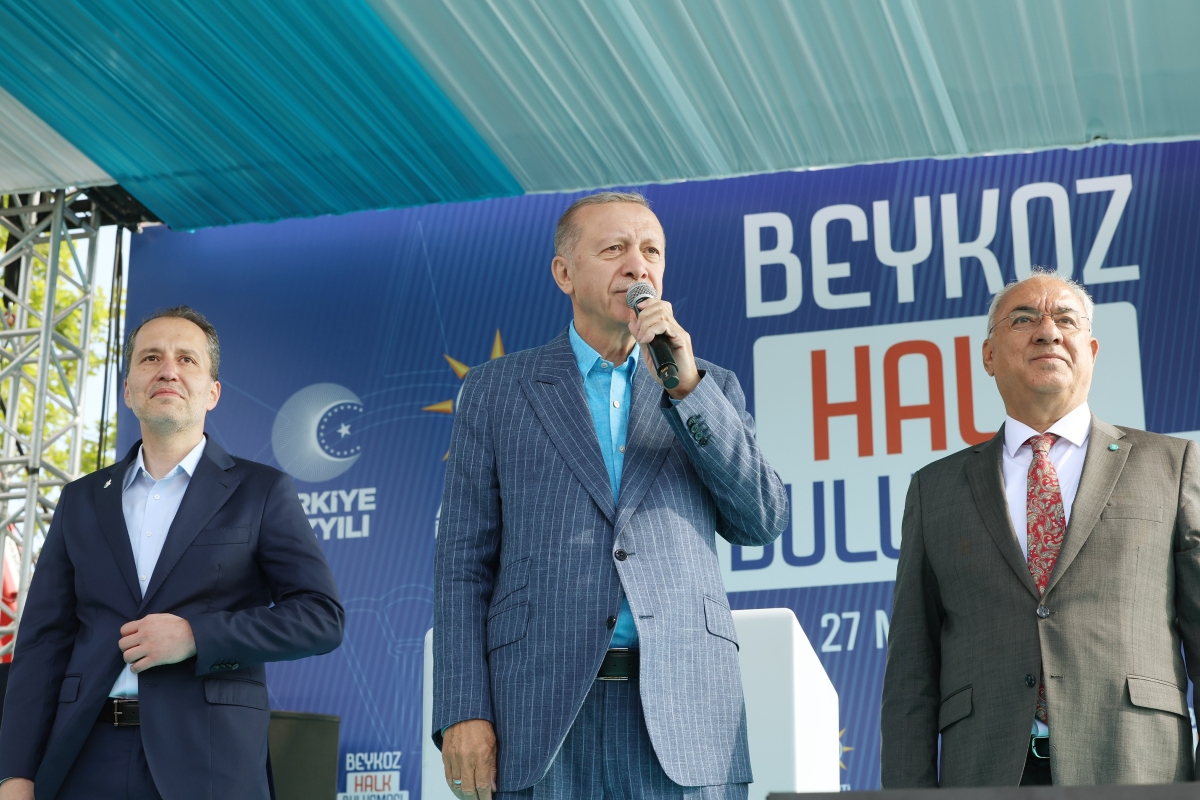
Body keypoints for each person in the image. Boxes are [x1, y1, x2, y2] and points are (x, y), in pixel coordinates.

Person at [433, 192, 788, 799]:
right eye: (614, 249)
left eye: (651, 251)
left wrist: (687, 390)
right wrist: (463, 709)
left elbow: (762, 520)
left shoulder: (709, 386)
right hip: (538, 718)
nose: (637, 266)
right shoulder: (497, 391)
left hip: (684, 715)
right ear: (564, 273)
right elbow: (461, 563)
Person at [0, 306, 344, 800]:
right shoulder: (81, 499)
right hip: (82, 758)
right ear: (128, 390)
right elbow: (41, 644)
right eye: (151, 358)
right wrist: (14, 773)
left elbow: (321, 617)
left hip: (209, 761)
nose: (168, 370)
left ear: (212, 392)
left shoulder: (262, 491)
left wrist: (195, 636)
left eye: (187, 359)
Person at [881, 271, 1200, 786]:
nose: (1047, 332)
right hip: (987, 770)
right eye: (1024, 319)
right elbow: (910, 675)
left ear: (1091, 351)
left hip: (1138, 764)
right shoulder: (933, 490)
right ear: (988, 356)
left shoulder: (1172, 465)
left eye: (1066, 320)